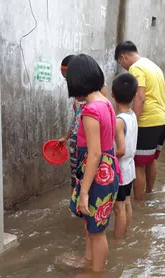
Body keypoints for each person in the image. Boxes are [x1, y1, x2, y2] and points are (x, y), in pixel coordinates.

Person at [67, 54, 121, 278]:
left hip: (98, 173)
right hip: (107, 170)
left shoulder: (90, 112)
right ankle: (89, 261)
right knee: (91, 223)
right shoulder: (105, 102)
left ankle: (96, 275)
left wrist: (85, 192)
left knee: (97, 230)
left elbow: (95, 153)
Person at [115, 41, 165, 201]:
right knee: (151, 159)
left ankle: (139, 204)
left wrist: (134, 124)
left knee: (138, 164)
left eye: (120, 62)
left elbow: (140, 97)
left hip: (148, 122)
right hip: (163, 119)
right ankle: (150, 193)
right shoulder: (153, 66)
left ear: (123, 57)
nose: (123, 67)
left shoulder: (136, 68)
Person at [58, 55, 109, 195]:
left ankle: (81, 200)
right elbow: (76, 118)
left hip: (89, 146)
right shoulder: (102, 103)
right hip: (82, 143)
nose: (68, 83)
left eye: (68, 79)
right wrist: (67, 136)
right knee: (76, 176)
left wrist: (84, 192)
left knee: (87, 183)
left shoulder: (92, 108)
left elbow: (95, 153)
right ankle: (76, 208)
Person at [111, 73, 138, 243]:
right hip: (130, 167)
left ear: (112, 94)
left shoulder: (118, 121)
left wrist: (104, 156)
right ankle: (126, 233)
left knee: (118, 208)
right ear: (134, 96)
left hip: (120, 169)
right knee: (127, 203)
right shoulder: (133, 115)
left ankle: (118, 241)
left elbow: (120, 149)